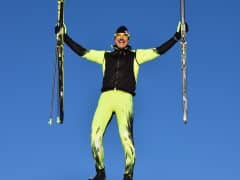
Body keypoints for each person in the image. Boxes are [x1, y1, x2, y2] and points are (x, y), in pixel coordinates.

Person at [55, 22, 188, 180]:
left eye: (125, 37)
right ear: (114, 38)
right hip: (106, 98)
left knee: (126, 139)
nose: (122, 39)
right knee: (94, 137)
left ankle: (127, 175)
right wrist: (65, 37)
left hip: (125, 99)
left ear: (129, 39)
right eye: (119, 36)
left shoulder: (136, 56)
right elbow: (83, 52)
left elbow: (158, 51)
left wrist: (177, 36)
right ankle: (100, 173)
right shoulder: (105, 56)